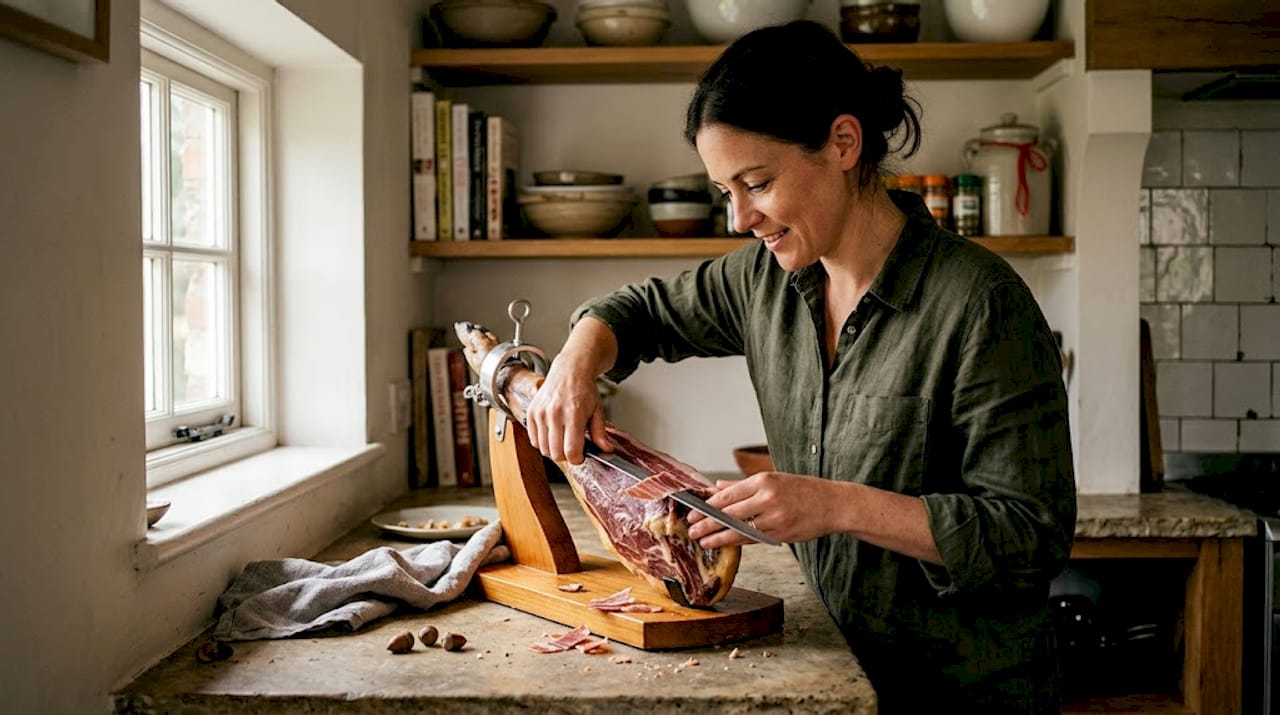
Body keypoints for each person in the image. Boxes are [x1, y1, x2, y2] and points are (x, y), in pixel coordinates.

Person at [524, 20, 1076, 714]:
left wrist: (833, 504)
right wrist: (579, 356)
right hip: (833, 678)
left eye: (756, 182)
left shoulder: (982, 304)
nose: (739, 217)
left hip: (960, 691)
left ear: (843, 143)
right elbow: (638, 311)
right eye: (726, 189)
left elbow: (1028, 537)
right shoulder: (765, 281)